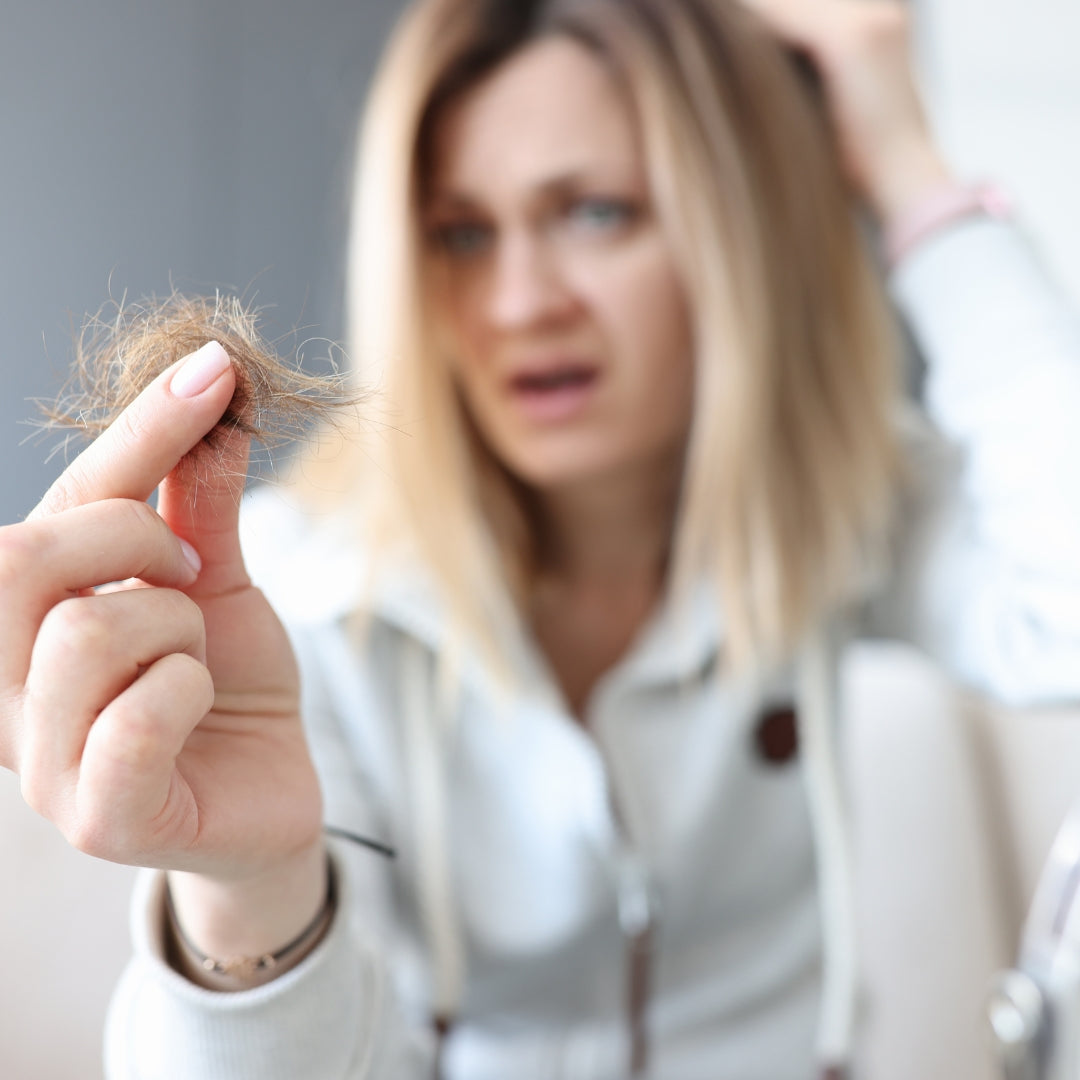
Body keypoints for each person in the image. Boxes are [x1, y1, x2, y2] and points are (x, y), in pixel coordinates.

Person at [2, 0, 1079, 1077]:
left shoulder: (841, 513)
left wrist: (908, 166)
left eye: (597, 213)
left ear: (739, 233)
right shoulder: (287, 596)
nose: (520, 303)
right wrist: (249, 890)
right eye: (463, 233)